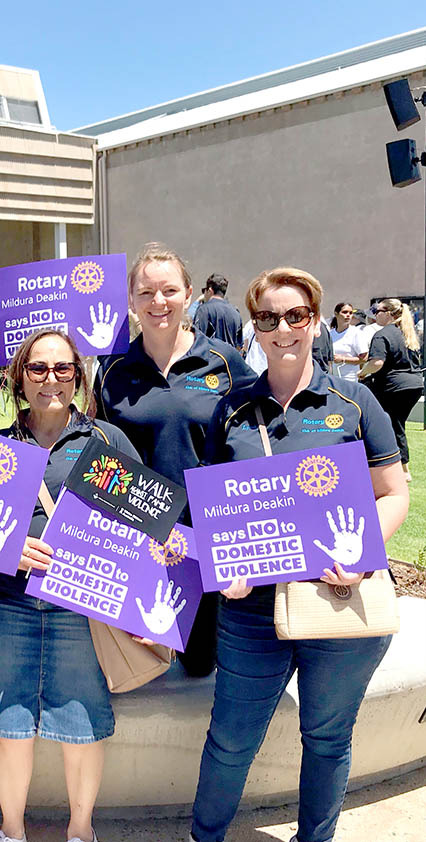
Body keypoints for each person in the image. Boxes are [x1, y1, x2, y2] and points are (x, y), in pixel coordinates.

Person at [189, 267, 409, 842]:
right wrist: (226, 566)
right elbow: (220, 507)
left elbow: (394, 494)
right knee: (231, 740)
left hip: (337, 598)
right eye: (267, 318)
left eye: (295, 316)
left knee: (328, 737)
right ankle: (204, 836)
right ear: (254, 329)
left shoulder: (353, 400)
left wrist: (363, 554)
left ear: (314, 320)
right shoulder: (232, 408)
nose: (282, 328)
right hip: (250, 609)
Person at [0, 328, 138, 842]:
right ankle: (11, 831)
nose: (51, 379)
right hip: (12, 606)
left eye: (63, 369)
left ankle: (81, 830)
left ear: (78, 376)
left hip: (81, 610)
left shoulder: (107, 442)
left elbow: (141, 528)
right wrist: (8, 548)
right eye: (38, 369)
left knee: (82, 721)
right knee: (10, 722)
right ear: (19, 376)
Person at [94, 243, 255, 676]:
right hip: (140, 535)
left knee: (201, 666)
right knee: (142, 664)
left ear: (188, 294)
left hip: (206, 536)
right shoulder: (111, 371)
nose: (157, 302)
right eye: (145, 293)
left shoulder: (224, 361)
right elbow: (101, 451)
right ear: (130, 301)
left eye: (168, 290)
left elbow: (257, 435)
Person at [359, 298, 423, 483]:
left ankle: (403, 470)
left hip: (393, 387)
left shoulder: (382, 334)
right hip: (414, 384)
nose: (375, 315)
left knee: (393, 426)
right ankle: (401, 468)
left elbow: (377, 362)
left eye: (378, 311)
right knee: (397, 424)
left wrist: (362, 373)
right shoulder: (407, 334)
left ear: (388, 313)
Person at [192, 273, 243, 350]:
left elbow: (196, 338)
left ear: (209, 290)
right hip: (229, 360)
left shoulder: (203, 309)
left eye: (204, 291)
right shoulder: (236, 312)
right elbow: (239, 346)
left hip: (211, 359)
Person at [329, 301, 367, 381]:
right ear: (336, 314)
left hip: (350, 379)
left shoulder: (356, 333)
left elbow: (364, 358)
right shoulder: (330, 334)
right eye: (345, 312)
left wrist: (343, 359)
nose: (348, 315)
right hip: (332, 379)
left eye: (350, 313)